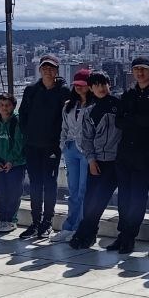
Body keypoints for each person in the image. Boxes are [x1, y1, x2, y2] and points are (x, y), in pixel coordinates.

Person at [111, 56, 149, 254]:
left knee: (138, 196)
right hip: (125, 151)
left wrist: (132, 118)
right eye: (136, 70)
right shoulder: (128, 93)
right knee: (124, 195)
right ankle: (122, 233)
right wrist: (139, 120)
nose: (140, 73)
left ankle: (130, 236)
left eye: (143, 69)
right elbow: (119, 121)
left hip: (144, 152)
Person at [17, 55, 68, 241]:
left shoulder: (63, 91)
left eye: (51, 68)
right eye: (44, 67)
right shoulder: (31, 90)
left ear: (57, 70)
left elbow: (67, 118)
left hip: (52, 146)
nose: (48, 70)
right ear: (39, 70)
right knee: (35, 184)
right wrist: (27, 134)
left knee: (50, 184)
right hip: (32, 145)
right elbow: (22, 115)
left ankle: (47, 222)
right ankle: (35, 222)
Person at [70, 71, 120, 250]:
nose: (101, 88)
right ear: (90, 88)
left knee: (101, 200)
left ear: (109, 84)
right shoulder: (89, 111)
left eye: (103, 84)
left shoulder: (119, 106)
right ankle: (88, 234)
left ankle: (84, 234)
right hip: (97, 161)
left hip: (116, 161)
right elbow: (86, 139)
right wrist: (91, 161)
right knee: (91, 200)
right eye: (96, 85)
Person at [56, 70, 92, 242]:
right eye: (76, 84)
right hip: (71, 148)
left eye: (82, 84)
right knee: (73, 190)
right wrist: (63, 145)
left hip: (86, 150)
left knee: (84, 189)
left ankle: (80, 226)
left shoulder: (94, 105)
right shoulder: (69, 105)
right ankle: (69, 225)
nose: (78, 87)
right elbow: (64, 126)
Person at [0, 93, 25, 234]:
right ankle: (2, 219)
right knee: (1, 192)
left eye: (8, 105)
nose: (4, 108)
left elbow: (19, 145)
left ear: (13, 107)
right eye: (1, 105)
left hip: (16, 165)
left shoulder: (17, 123)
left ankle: (11, 220)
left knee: (14, 192)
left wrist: (11, 161)